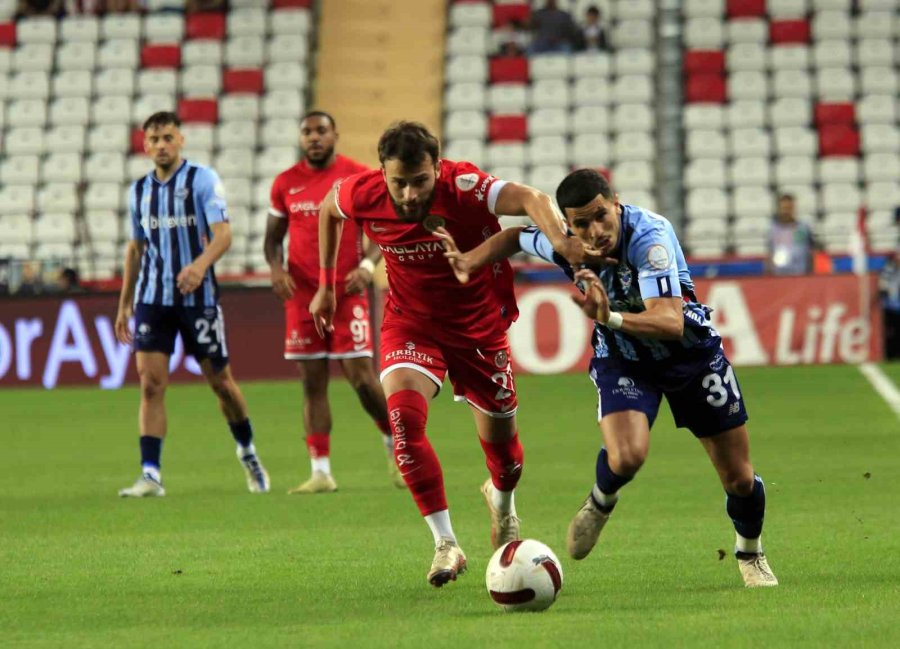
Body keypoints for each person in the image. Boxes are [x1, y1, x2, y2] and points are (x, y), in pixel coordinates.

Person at [439, 168, 779, 589]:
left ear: (615, 202)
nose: (595, 231)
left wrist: (609, 316)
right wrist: (470, 260)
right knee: (627, 456)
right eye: (580, 223)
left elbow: (671, 322)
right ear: (568, 223)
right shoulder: (567, 246)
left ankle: (750, 552)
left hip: (692, 357)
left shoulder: (649, 238)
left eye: (601, 216)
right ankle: (600, 501)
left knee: (739, 478)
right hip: (624, 360)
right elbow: (515, 238)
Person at [309, 122, 594, 588]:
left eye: (419, 181)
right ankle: (446, 543)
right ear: (382, 173)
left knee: (506, 459)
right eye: (397, 181)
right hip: (411, 323)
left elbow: (529, 199)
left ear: (436, 169)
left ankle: (501, 500)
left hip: (478, 328)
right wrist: (325, 286)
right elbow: (327, 209)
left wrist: (561, 241)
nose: (407, 193)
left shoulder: (463, 186)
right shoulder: (362, 193)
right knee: (402, 419)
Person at [114, 111, 270, 498]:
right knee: (150, 384)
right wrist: (125, 303)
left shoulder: (202, 179)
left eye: (168, 137)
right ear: (145, 145)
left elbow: (224, 234)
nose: (162, 145)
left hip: (197, 300)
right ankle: (151, 474)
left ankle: (247, 452)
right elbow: (136, 248)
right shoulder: (138, 191)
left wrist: (200, 266)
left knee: (221, 383)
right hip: (152, 298)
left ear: (180, 139)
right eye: (154, 139)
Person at [264, 110, 402, 494]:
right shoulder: (285, 183)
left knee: (360, 376)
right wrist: (277, 271)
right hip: (303, 295)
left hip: (347, 292)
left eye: (321, 131)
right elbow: (272, 240)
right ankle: (321, 470)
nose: (314, 138)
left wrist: (366, 264)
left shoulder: (357, 176)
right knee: (312, 382)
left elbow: (382, 230)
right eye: (307, 132)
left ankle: (395, 445)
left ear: (335, 135)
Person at [768, 193, 820, 275]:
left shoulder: (803, 228)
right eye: (784, 208)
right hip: (779, 277)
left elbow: (811, 251)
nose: (786, 211)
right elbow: (770, 252)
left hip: (800, 275)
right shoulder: (773, 229)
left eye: (789, 208)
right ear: (779, 209)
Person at [879, 250, 900, 360]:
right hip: (891, 306)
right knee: (891, 332)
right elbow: (883, 285)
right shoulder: (889, 268)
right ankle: (890, 354)